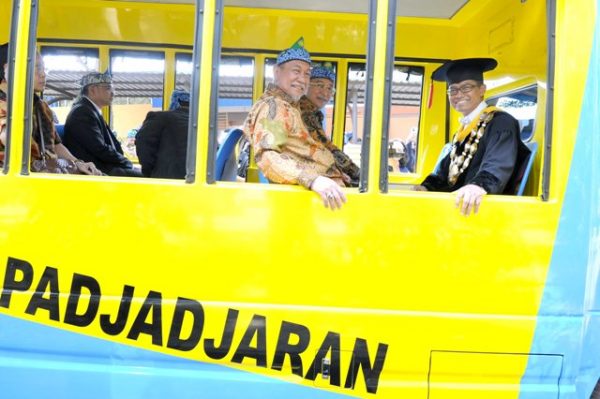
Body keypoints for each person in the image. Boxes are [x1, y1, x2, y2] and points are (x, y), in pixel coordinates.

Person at [415, 58, 529, 216]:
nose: (458, 94)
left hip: (482, 210)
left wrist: (478, 186)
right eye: (453, 90)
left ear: (482, 90)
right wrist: (426, 187)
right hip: (458, 205)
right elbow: (445, 171)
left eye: (466, 87)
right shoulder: (465, 129)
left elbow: (496, 167)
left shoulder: (500, 123)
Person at [243, 38, 347, 210]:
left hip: (327, 197)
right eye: (296, 71)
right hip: (315, 201)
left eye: (307, 74)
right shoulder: (274, 106)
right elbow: (268, 156)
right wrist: (314, 180)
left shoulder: (292, 106)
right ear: (277, 72)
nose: (302, 79)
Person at [0, 45, 100, 174]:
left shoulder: (41, 106)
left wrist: (78, 162)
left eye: (43, 68)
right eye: (37, 68)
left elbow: (56, 145)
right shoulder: (4, 105)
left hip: (47, 173)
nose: (43, 74)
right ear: (9, 69)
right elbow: (8, 137)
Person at [64, 71, 142, 177]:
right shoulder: (82, 113)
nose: (113, 92)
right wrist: (128, 164)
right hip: (96, 170)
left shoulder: (90, 110)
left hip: (105, 167)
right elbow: (99, 148)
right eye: (108, 88)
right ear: (92, 90)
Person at [298, 65, 360, 186]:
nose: (325, 93)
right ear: (306, 86)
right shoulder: (304, 111)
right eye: (320, 85)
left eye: (330, 88)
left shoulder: (313, 112)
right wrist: (355, 172)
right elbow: (326, 147)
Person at [135, 90, 190, 179]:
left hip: (164, 182)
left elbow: (143, 143)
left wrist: (149, 171)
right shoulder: (201, 124)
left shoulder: (160, 118)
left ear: (175, 102)